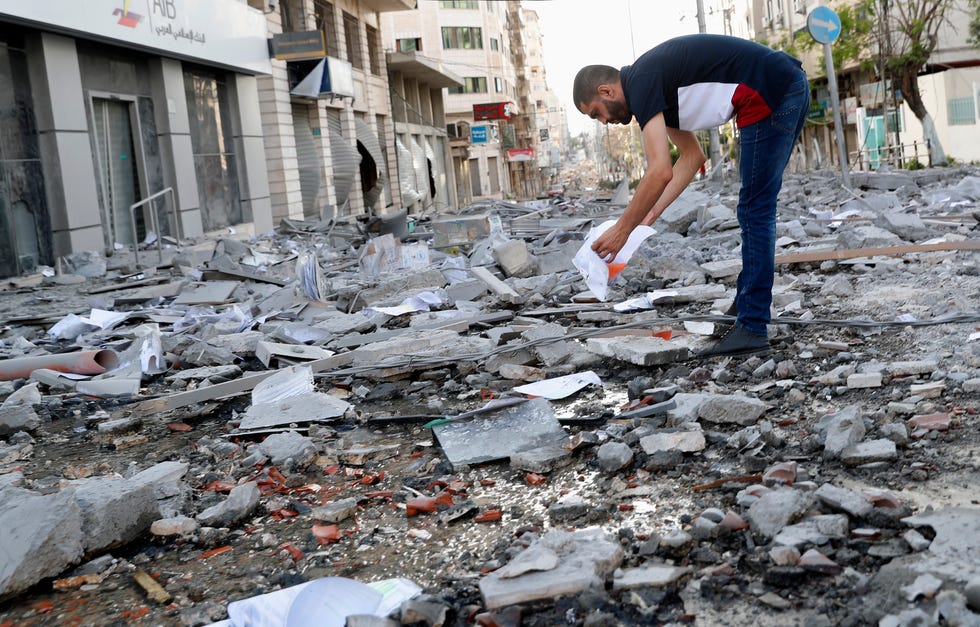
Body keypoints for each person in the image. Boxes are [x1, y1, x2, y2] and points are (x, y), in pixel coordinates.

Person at [574, 34, 809, 357]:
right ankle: (745, 311)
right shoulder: (654, 88)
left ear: (606, 91)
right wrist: (648, 216)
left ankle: (752, 326)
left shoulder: (641, 81)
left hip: (771, 91)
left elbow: (659, 171)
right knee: (755, 208)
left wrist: (622, 230)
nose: (604, 122)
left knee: (755, 210)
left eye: (596, 113)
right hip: (783, 86)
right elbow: (691, 158)